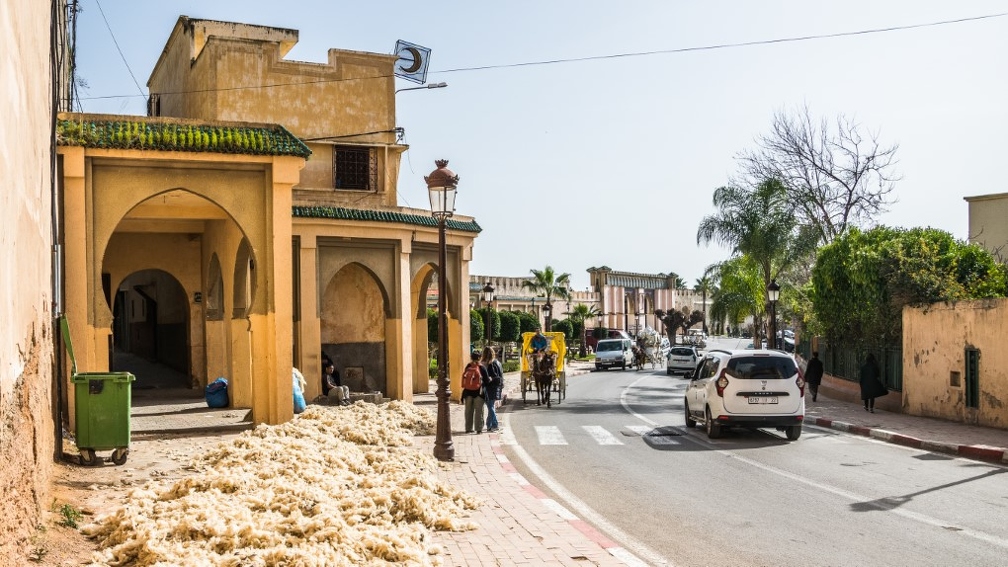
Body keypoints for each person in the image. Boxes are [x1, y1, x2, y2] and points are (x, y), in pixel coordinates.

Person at [461, 350, 488, 433]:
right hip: (479, 393)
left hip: (467, 392)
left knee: (468, 411)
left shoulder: (468, 366)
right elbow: (486, 380)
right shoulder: (481, 367)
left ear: (471, 357)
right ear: (479, 358)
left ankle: (468, 428)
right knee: (479, 411)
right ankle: (478, 429)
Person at [481, 346, 503, 432]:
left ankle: (494, 425)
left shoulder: (482, 364)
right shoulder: (497, 363)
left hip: (485, 387)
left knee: (490, 407)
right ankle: (490, 425)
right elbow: (500, 375)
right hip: (495, 387)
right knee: (491, 406)